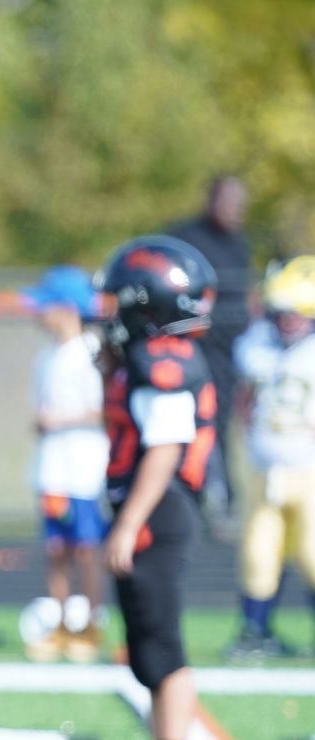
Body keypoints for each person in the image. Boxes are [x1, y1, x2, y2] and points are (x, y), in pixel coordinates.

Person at [92, 235, 219, 740]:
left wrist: (129, 524)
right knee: (147, 648)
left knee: (162, 649)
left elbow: (165, 448)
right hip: (152, 510)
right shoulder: (144, 358)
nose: (111, 314)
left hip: (158, 512)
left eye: (122, 302)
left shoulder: (163, 361)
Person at [228, 256, 315, 661]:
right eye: (282, 313)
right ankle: (255, 630)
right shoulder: (256, 345)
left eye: (296, 314)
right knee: (260, 550)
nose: (287, 321)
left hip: (309, 466)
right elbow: (244, 398)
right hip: (265, 466)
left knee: (313, 553)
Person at [19, 265, 108, 662]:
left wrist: (60, 419)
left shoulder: (91, 353)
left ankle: (90, 621)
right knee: (56, 548)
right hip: (52, 469)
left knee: (86, 548)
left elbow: (103, 411)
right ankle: (58, 622)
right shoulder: (45, 358)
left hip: (84, 469)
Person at [167, 176, 254, 528]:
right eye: (230, 202)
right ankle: (195, 494)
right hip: (194, 348)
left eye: (241, 204)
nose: (237, 211)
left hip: (229, 352)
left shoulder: (240, 245)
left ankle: (223, 499)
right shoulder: (185, 239)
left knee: (220, 423)